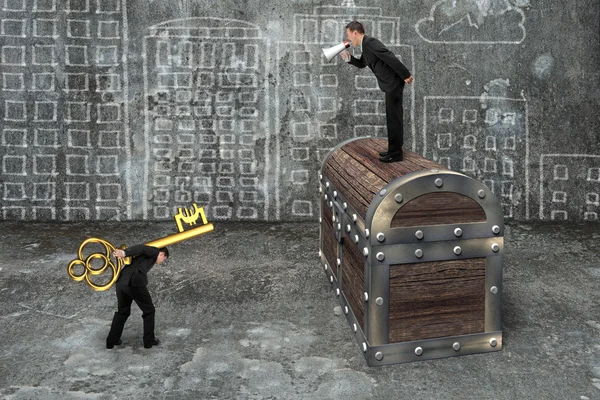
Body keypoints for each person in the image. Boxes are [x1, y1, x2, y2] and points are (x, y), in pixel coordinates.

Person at [341, 20, 414, 163]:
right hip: (390, 84)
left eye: (349, 35)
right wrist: (349, 59)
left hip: (393, 83)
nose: (348, 38)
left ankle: (395, 153)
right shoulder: (365, 46)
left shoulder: (370, 43)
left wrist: (405, 75)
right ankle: (393, 150)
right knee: (392, 118)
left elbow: (390, 57)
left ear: (355, 33)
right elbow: (363, 63)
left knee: (394, 119)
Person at [106, 244, 169, 349]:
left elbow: (141, 250)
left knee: (123, 312)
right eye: (164, 259)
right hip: (134, 283)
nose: (162, 261)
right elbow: (142, 247)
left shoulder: (142, 257)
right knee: (149, 311)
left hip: (121, 282)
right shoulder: (154, 251)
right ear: (162, 254)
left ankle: (111, 341)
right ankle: (149, 341)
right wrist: (123, 253)